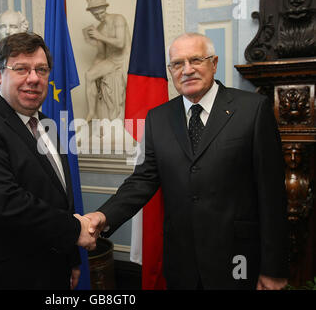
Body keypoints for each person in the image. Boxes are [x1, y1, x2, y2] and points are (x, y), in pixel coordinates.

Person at [85, 33, 289, 290]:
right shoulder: (158, 118)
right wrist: (103, 216)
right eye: (178, 64)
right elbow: (143, 180)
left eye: (196, 60)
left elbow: (272, 196)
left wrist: (274, 269)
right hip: (182, 263)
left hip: (239, 260)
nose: (187, 70)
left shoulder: (253, 109)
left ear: (214, 63)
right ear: (170, 71)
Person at [0, 32, 95, 289]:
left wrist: (71, 258)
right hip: (5, 278)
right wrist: (74, 230)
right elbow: (4, 203)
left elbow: (61, 197)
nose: (34, 78)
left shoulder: (47, 124)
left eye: (41, 70)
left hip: (53, 271)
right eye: (21, 69)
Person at [83, 0, 131, 121]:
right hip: (111, 60)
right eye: (95, 14)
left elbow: (120, 43)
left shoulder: (118, 19)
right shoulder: (100, 28)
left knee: (128, 92)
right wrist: (95, 66)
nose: (99, 16)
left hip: (124, 59)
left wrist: (99, 36)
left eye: (101, 12)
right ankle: (92, 112)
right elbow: (101, 54)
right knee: (89, 75)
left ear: (105, 8)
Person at [0, 9, 29, 93]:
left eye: (13, 26)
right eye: (3, 27)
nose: (7, 32)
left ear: (22, 29)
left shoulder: (29, 58)